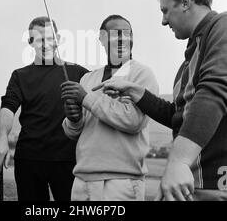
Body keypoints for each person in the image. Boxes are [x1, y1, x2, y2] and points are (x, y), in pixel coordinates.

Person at [97, 0, 227, 201]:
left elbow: (213, 93)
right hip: (190, 185)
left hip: (217, 184)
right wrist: (137, 92)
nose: (164, 21)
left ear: (186, 2)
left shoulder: (222, 26)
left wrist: (178, 161)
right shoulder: (187, 64)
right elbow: (178, 117)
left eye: (165, 10)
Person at [0, 16, 88, 201]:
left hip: (69, 160)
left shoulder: (79, 73)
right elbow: (8, 108)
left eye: (50, 38)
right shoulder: (20, 76)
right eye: (39, 39)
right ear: (30, 42)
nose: (46, 44)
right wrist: (1, 138)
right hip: (30, 160)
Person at [61, 15, 159, 201]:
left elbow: (133, 121)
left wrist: (86, 98)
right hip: (82, 180)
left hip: (122, 182)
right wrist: (73, 120)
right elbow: (75, 132)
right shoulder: (88, 79)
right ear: (102, 39)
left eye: (128, 34)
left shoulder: (142, 74)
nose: (123, 39)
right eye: (116, 35)